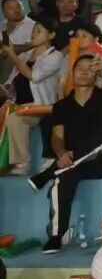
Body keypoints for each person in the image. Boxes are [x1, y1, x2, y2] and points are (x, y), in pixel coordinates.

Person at [25, 55, 102, 252]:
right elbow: (57, 136)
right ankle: (56, 236)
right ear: (72, 73)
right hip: (73, 164)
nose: (84, 72)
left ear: (96, 74)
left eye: (90, 69)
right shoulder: (62, 105)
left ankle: (48, 173)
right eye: (80, 68)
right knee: (62, 179)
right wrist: (61, 153)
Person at [0, 18, 64, 175]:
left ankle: (22, 162)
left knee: (14, 116)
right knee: (4, 112)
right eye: (34, 30)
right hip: (21, 104)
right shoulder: (27, 54)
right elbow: (15, 78)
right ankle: (3, 162)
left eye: (39, 31)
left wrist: (12, 54)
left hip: (42, 105)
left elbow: (33, 76)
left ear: (51, 35)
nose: (34, 33)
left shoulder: (55, 56)